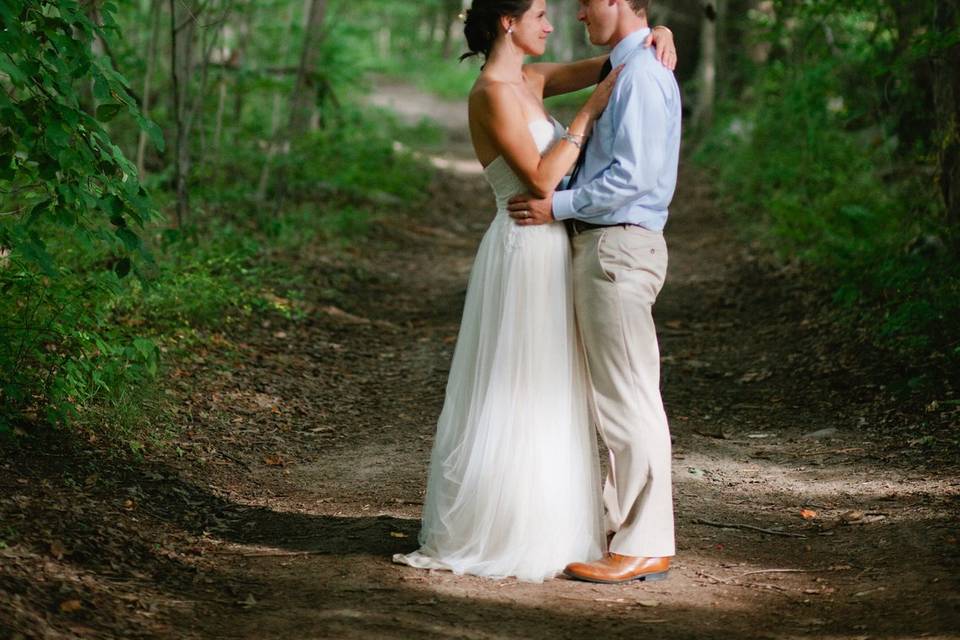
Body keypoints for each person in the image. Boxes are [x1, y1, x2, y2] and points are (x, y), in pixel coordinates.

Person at [392, 0, 677, 582]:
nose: (552, 24)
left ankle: (566, 523)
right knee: (518, 383)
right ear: (508, 22)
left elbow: (614, 60)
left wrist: (658, 31)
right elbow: (542, 180)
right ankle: (506, 524)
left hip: (558, 242)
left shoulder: (533, 77)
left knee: (560, 389)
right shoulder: (492, 94)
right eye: (541, 14)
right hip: (524, 247)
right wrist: (586, 118)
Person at [507, 0, 682, 583]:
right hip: (606, 245)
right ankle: (626, 528)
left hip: (617, 246)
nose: (578, 14)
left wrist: (554, 205)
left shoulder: (640, 76)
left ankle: (646, 542)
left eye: (585, 3)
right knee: (617, 395)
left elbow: (630, 177)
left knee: (628, 396)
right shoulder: (624, 67)